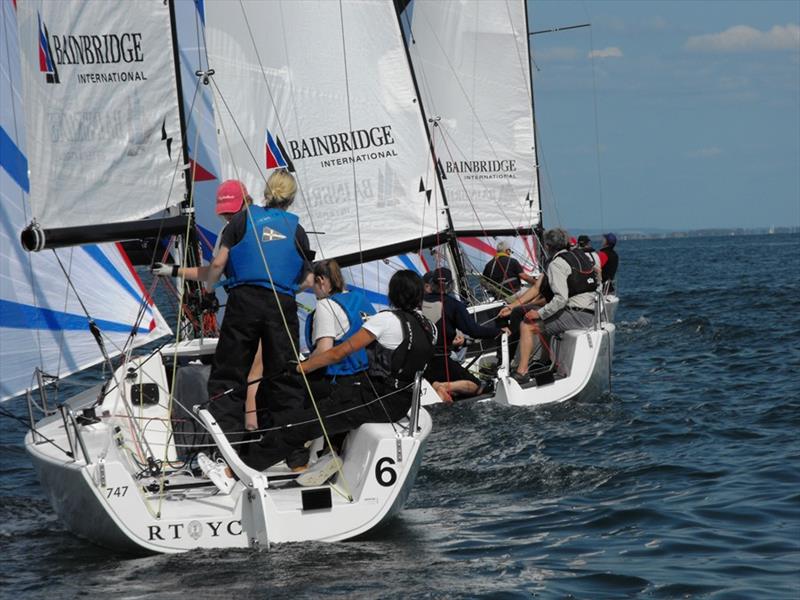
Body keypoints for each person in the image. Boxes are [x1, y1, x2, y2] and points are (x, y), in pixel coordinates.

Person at [152, 170, 314, 468]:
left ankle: (229, 458)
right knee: (286, 378)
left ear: (265, 193)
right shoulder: (297, 229)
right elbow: (307, 280)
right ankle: (296, 458)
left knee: (229, 377)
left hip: (245, 303)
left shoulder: (241, 220)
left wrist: (211, 284)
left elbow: (217, 264)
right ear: (291, 199)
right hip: (282, 304)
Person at [223, 269, 436, 476]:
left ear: (393, 294)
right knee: (330, 398)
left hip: (376, 400)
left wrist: (300, 368)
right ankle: (330, 451)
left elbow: (339, 353)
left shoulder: (387, 320)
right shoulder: (428, 327)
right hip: (400, 402)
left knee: (296, 424)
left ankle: (237, 470)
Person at [510, 228, 597, 383]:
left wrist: (539, 314)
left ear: (548, 246)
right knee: (547, 317)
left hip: (577, 315)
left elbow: (560, 299)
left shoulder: (556, 263)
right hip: (591, 313)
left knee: (527, 324)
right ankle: (545, 362)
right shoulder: (580, 256)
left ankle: (522, 372)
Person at [421, 267, 507, 402]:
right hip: (442, 361)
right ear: (450, 285)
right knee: (479, 387)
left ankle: (437, 387)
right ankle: (442, 387)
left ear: (431, 284)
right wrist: (498, 331)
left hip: (420, 365)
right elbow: (473, 331)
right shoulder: (454, 305)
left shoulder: (417, 303)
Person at [304, 259, 374, 401]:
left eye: (313, 285)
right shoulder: (360, 298)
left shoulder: (325, 305)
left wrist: (304, 366)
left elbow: (324, 350)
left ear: (320, 280)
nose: (313, 291)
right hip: (368, 377)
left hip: (340, 381)